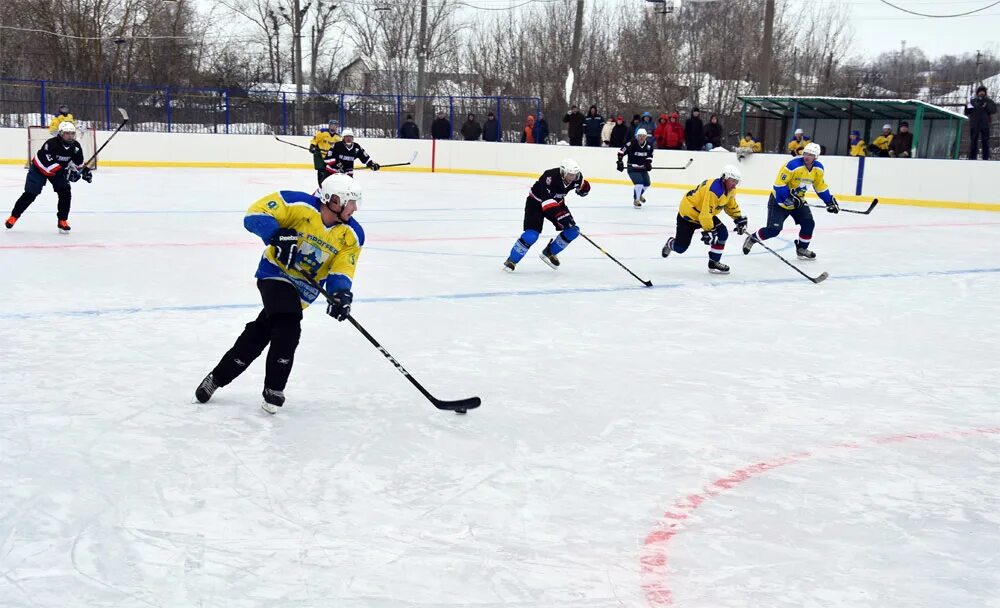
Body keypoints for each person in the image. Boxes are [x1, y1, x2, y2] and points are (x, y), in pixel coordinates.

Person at [193, 174, 365, 414]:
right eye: (351, 202)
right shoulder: (299, 205)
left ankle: (217, 377)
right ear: (333, 200)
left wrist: (341, 294)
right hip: (275, 273)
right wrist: (277, 234)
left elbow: (342, 269)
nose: (355, 208)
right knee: (288, 324)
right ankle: (274, 389)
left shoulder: (353, 234)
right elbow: (255, 214)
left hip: (302, 291)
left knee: (262, 331)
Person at [743, 142, 838, 261]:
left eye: (811, 154)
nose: (807, 156)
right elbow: (779, 185)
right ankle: (752, 239)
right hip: (779, 201)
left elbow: (820, 187)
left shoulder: (818, 169)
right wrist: (789, 198)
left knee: (809, 223)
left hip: (798, 202)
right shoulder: (792, 165)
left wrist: (829, 201)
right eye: (806, 153)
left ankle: (802, 248)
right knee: (773, 230)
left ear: (816, 157)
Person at [503, 159, 588, 272]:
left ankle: (550, 252)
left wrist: (584, 189)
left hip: (557, 203)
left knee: (573, 231)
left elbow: (581, 185)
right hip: (536, 203)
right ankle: (511, 260)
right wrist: (562, 216)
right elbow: (546, 202)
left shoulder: (577, 178)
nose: (572, 177)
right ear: (563, 172)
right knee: (531, 235)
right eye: (570, 175)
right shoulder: (549, 177)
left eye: (574, 175)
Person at [661, 165, 748, 274]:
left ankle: (714, 262)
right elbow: (705, 215)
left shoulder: (730, 190)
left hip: (704, 214)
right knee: (680, 248)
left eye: (736, 181)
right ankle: (670, 243)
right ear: (724, 178)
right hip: (689, 215)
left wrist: (738, 218)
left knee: (722, 233)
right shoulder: (714, 190)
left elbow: (730, 205)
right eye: (732, 180)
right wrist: (710, 230)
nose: (734, 184)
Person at [6, 121, 90, 233]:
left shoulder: (76, 147)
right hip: (39, 169)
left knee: (65, 192)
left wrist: (85, 172)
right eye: (67, 133)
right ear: (60, 133)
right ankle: (13, 217)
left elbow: (78, 164)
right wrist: (66, 173)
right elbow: (46, 165)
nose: (70, 136)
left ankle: (62, 220)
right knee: (31, 194)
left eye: (72, 133)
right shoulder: (51, 144)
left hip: (57, 171)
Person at [617, 127, 654, 208]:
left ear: (646, 137)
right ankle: (636, 200)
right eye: (640, 136)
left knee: (647, 183)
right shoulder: (631, 143)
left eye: (643, 136)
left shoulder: (649, 145)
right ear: (637, 136)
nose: (641, 137)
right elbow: (621, 151)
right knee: (639, 183)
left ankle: (639, 194)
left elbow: (650, 155)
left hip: (643, 169)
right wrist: (620, 161)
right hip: (632, 168)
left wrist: (648, 163)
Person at [966, 85, 996, 160]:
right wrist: (966, 106)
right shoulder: (973, 101)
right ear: (977, 93)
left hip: (985, 124)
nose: (981, 93)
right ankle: (972, 158)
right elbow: (967, 111)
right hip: (974, 124)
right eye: (980, 91)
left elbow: (994, 110)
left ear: (985, 93)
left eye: (983, 91)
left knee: (985, 141)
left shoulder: (989, 101)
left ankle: (985, 158)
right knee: (973, 141)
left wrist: (986, 106)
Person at [310, 119, 342, 185]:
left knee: (330, 173)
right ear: (329, 126)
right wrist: (312, 146)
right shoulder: (322, 132)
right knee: (321, 172)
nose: (333, 127)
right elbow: (315, 140)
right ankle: (321, 188)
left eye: (335, 125)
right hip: (320, 156)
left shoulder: (338, 137)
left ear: (337, 127)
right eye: (332, 125)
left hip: (330, 158)